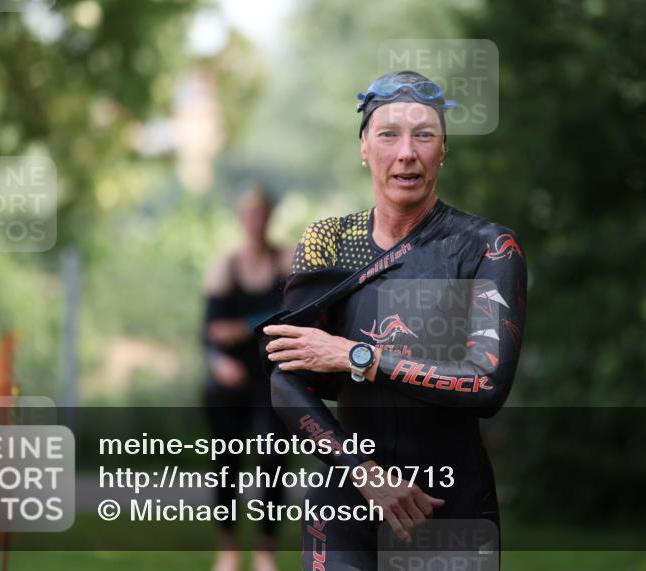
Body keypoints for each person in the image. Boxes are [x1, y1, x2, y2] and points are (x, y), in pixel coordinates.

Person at [260, 70, 527, 570]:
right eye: (388, 134)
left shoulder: (487, 247)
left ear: (443, 149)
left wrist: (358, 356)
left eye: (424, 134)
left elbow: (487, 384)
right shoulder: (328, 242)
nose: (407, 152)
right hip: (346, 501)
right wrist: (364, 471)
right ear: (364, 147)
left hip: (449, 509)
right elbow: (285, 379)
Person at [202, 186, 293, 571]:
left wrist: (242, 327)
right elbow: (208, 333)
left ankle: (265, 553)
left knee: (274, 460)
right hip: (231, 380)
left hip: (272, 379)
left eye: (263, 213)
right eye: (250, 213)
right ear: (242, 218)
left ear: (270, 217)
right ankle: (227, 550)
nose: (256, 220)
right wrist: (219, 360)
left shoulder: (286, 261)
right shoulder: (225, 265)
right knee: (226, 463)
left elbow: (294, 314)